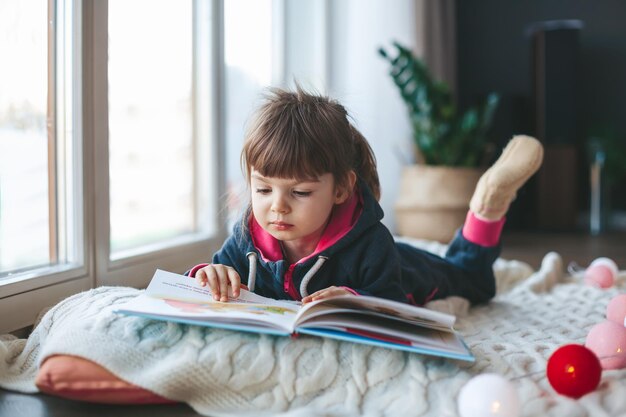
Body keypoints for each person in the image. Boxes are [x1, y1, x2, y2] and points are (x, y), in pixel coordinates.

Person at [186, 85, 544, 306]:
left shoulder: (373, 244)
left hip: (402, 270)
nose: (276, 205)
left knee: (473, 280)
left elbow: (389, 302)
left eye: (300, 192)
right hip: (385, 256)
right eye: (262, 189)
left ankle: (486, 207)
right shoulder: (247, 236)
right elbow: (214, 274)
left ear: (341, 188)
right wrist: (208, 273)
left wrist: (356, 302)